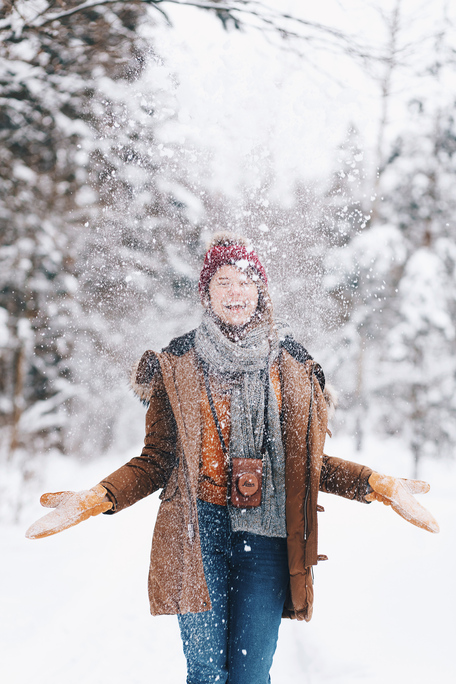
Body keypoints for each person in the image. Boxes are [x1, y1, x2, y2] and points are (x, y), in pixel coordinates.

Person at [26, 234, 439, 684]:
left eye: (246, 280)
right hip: (198, 531)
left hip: (266, 538)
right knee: (205, 672)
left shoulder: (291, 367)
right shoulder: (179, 364)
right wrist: (99, 497)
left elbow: (304, 464)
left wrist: (375, 484)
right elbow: (157, 459)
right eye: (223, 281)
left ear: (260, 290)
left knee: (250, 673)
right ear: (207, 293)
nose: (235, 291)